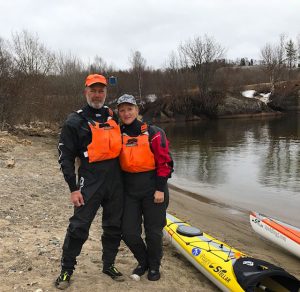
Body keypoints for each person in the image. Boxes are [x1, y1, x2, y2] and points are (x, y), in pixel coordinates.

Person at [55, 74, 124, 289]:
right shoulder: (75, 121)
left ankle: (108, 264)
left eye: (101, 90)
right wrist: (73, 188)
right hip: (90, 180)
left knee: (113, 226)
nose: (97, 94)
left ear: (106, 92)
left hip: (115, 180)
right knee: (79, 227)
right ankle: (66, 271)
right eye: (93, 90)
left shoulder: (114, 117)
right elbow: (65, 156)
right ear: (86, 92)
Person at [117, 94, 173, 281]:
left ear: (137, 110)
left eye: (130, 109)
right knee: (129, 231)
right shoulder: (117, 134)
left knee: (153, 232)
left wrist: (159, 189)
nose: (126, 113)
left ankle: (154, 266)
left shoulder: (154, 132)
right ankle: (144, 261)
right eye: (122, 110)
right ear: (118, 113)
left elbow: (166, 163)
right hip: (129, 190)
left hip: (153, 188)